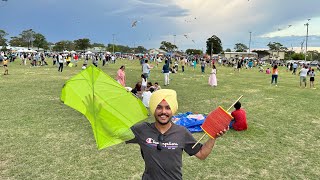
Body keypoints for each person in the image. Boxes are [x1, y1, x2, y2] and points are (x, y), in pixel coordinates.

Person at [126, 89, 227, 180]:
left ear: (173, 110)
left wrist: (213, 137)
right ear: (153, 109)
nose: (163, 112)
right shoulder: (142, 130)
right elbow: (117, 134)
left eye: (168, 108)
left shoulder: (182, 132)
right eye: (159, 107)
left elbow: (201, 154)